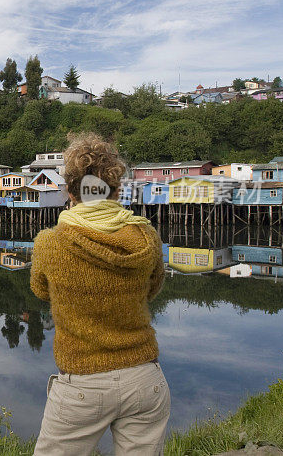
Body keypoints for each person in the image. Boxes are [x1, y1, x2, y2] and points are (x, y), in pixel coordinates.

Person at [30, 132, 169, 455]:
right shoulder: (146, 237)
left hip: (82, 384)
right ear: (117, 190)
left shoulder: (50, 243)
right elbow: (152, 290)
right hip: (144, 378)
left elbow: (40, 291)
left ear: (70, 190)